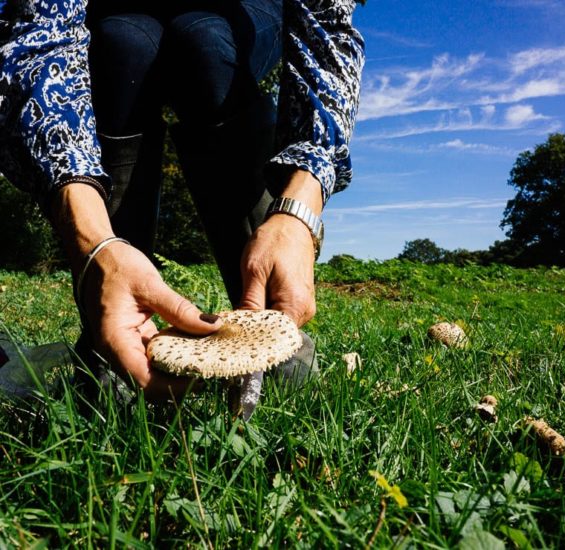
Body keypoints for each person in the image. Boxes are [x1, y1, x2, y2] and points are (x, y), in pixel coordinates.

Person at [0, 0, 365, 401]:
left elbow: (326, 29)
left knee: (204, 42)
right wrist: (92, 243)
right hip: (112, 14)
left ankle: (271, 332)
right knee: (121, 46)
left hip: (239, 13)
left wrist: (298, 210)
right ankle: (110, 333)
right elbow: (39, 39)